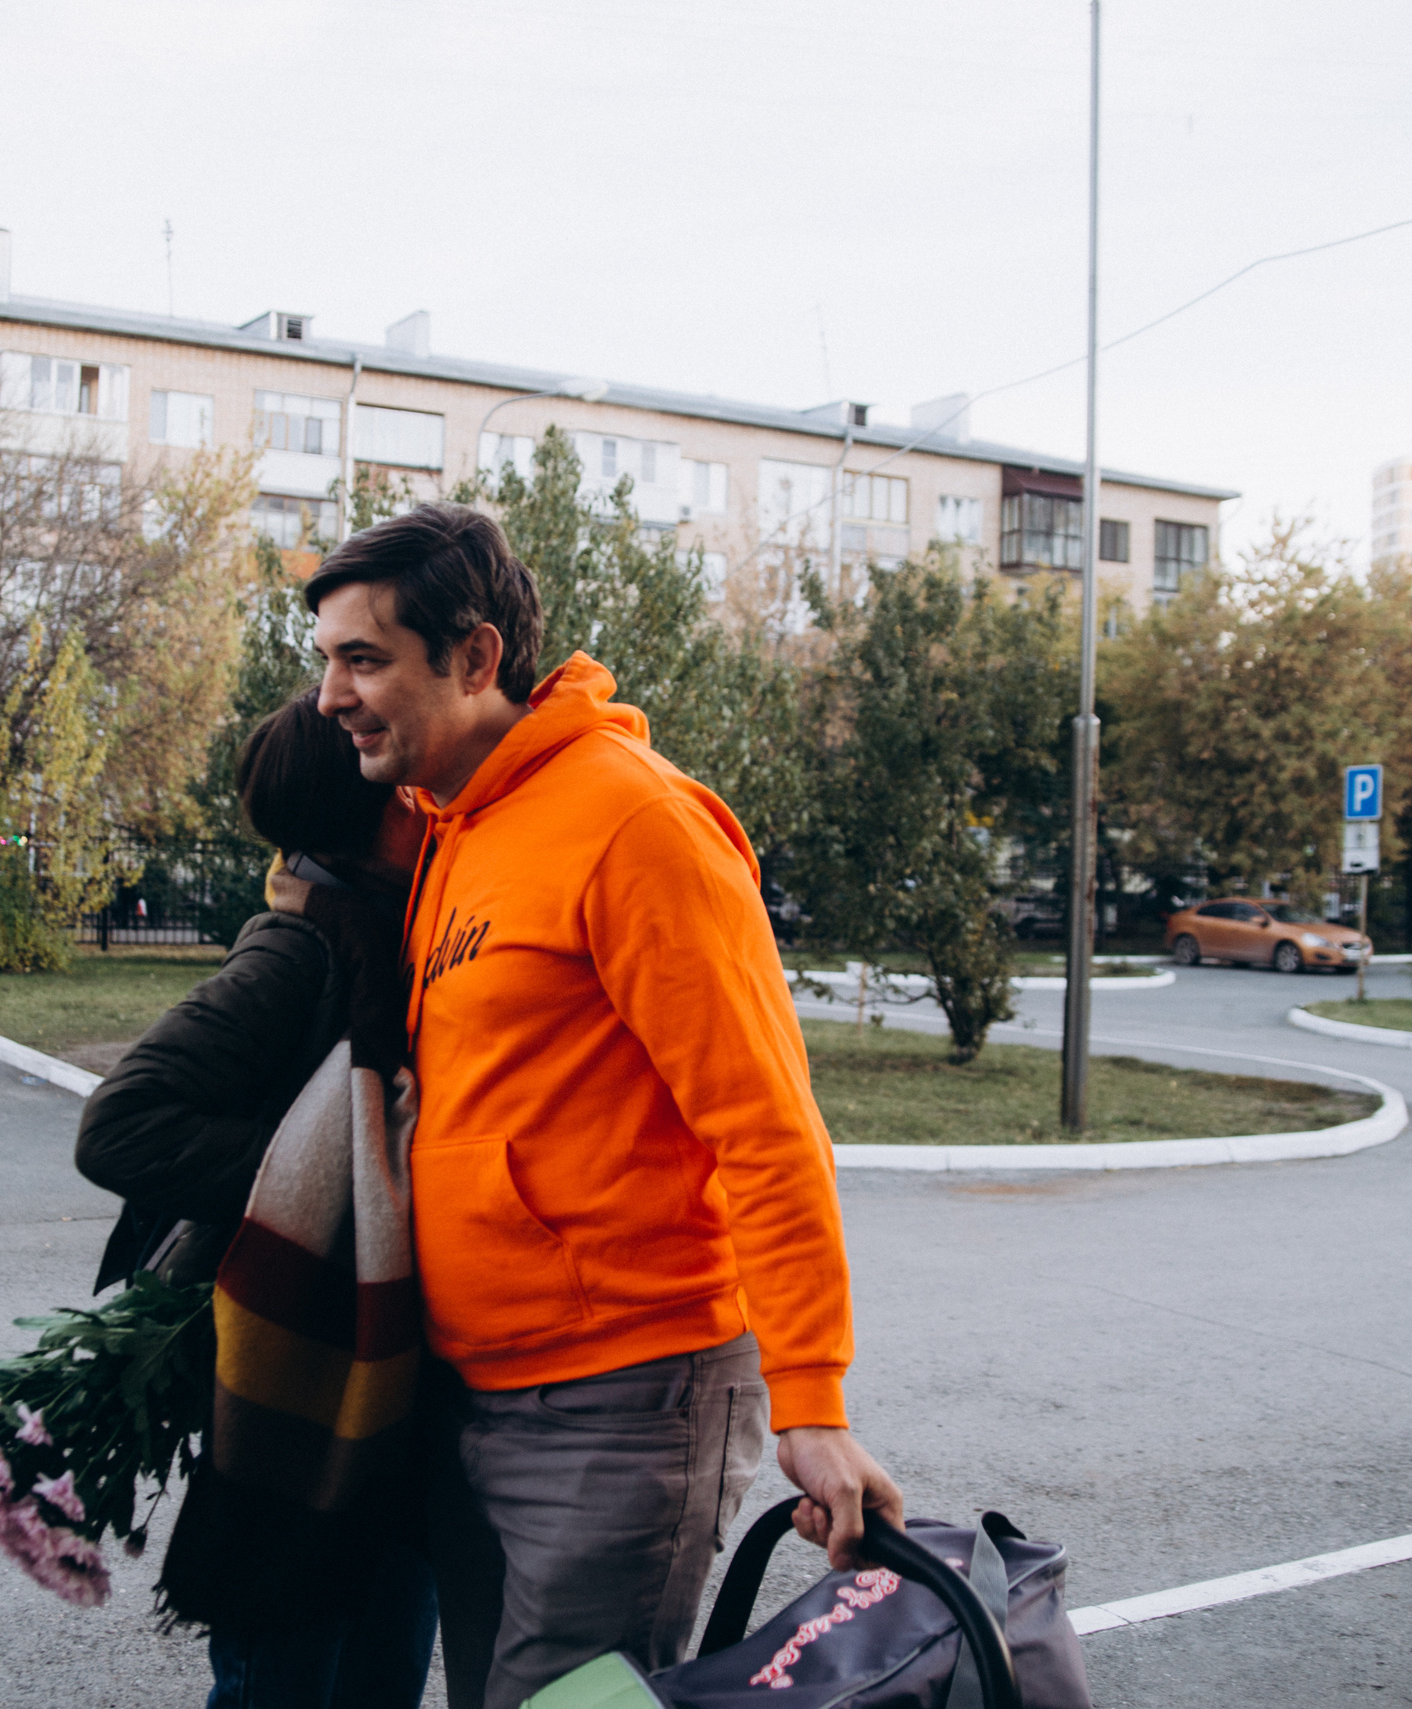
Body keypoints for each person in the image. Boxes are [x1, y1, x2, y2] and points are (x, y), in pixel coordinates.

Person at [304, 503, 904, 1709]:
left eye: (361, 657)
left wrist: (813, 1397)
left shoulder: (637, 823)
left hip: (626, 1399)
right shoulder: (453, 829)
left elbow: (766, 1124)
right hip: (477, 1391)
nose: (330, 695)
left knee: (574, 1705)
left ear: (474, 658)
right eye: (324, 659)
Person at [72, 690, 434, 1709]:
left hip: (370, 1369)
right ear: (382, 806)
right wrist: (324, 1187)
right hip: (296, 1368)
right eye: (409, 785)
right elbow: (122, 1124)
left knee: (372, 1654)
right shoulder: (301, 947)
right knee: (289, 1659)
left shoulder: (384, 932)